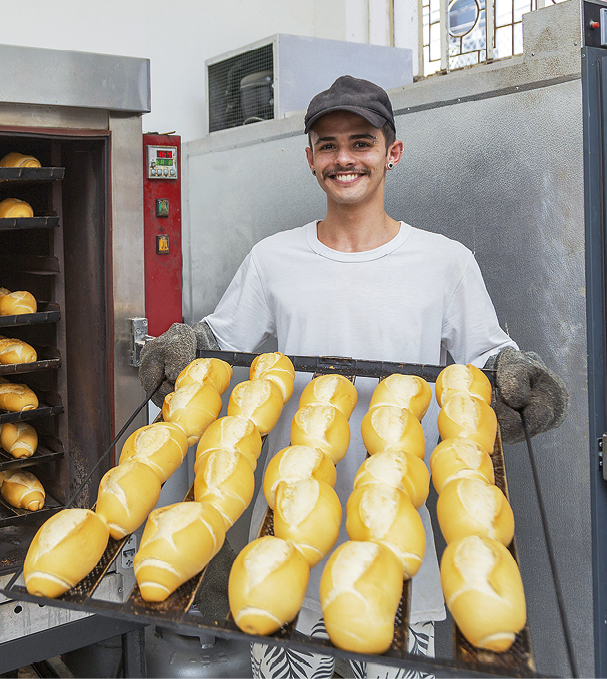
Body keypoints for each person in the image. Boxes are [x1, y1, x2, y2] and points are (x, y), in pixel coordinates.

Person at [139, 75, 568, 678]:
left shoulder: (445, 261)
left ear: (392, 151)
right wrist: (184, 346)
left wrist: (520, 380)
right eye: (329, 144)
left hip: (396, 533)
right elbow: (220, 340)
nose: (345, 158)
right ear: (310, 157)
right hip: (287, 527)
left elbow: (491, 358)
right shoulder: (273, 258)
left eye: (361, 142)